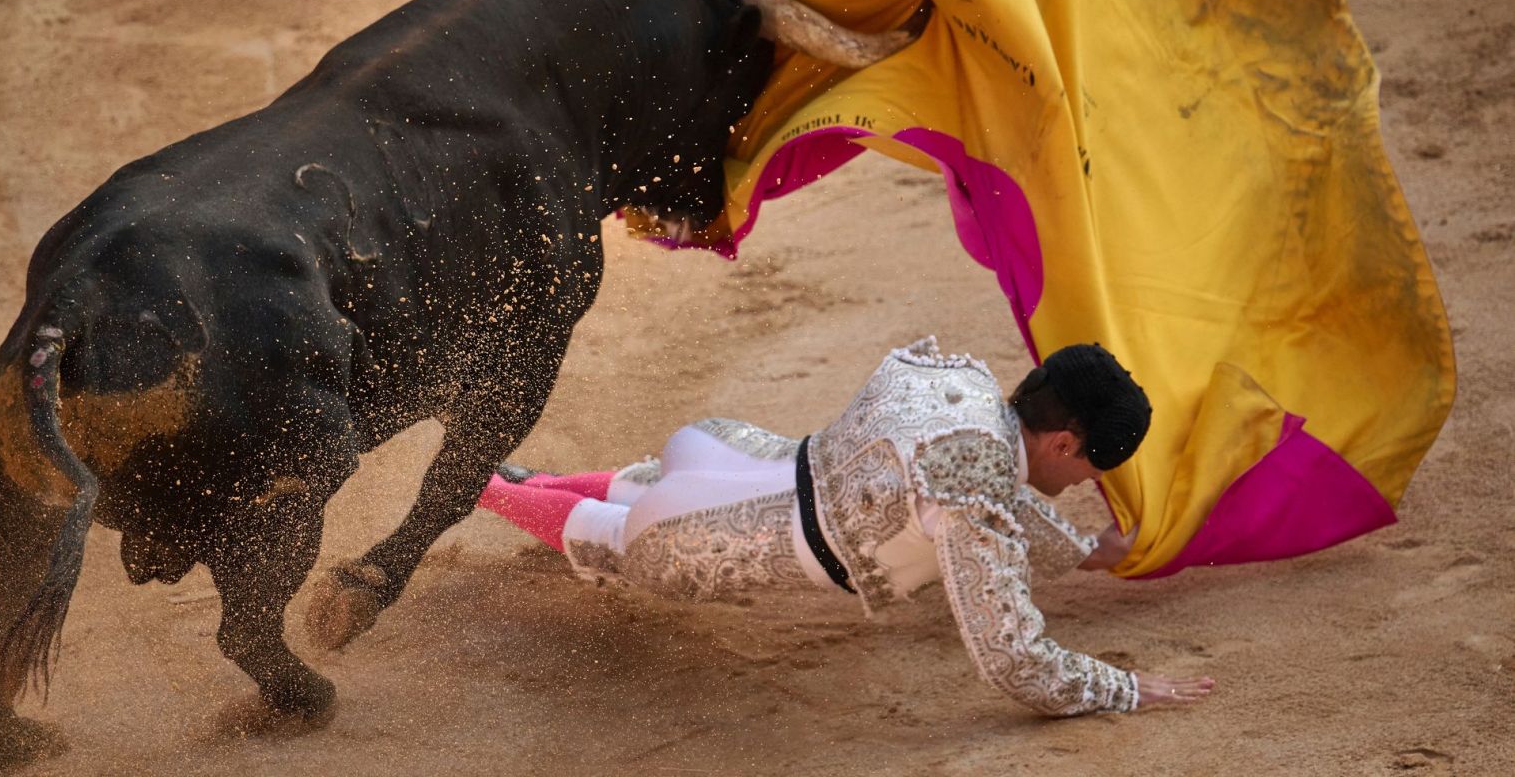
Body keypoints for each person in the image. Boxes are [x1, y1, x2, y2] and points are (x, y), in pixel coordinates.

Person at [478, 337, 1215, 716]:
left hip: (726, 448)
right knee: (616, 538)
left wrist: (1087, 552)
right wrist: (1124, 688)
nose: (1087, 481)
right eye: (1093, 467)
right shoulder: (975, 486)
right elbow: (1012, 659)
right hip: (692, 539)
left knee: (643, 491)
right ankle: (475, 486)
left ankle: (517, 476)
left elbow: (984, 494)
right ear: (1064, 443)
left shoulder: (961, 386)